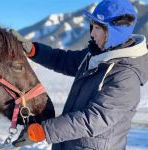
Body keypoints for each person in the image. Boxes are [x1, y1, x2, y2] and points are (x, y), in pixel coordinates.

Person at [12, 0, 148, 149]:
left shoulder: (125, 76)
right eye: (92, 26)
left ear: (114, 33)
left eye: (97, 28)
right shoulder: (97, 56)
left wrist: (43, 131)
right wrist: (33, 50)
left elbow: (94, 119)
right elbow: (63, 59)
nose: (92, 33)